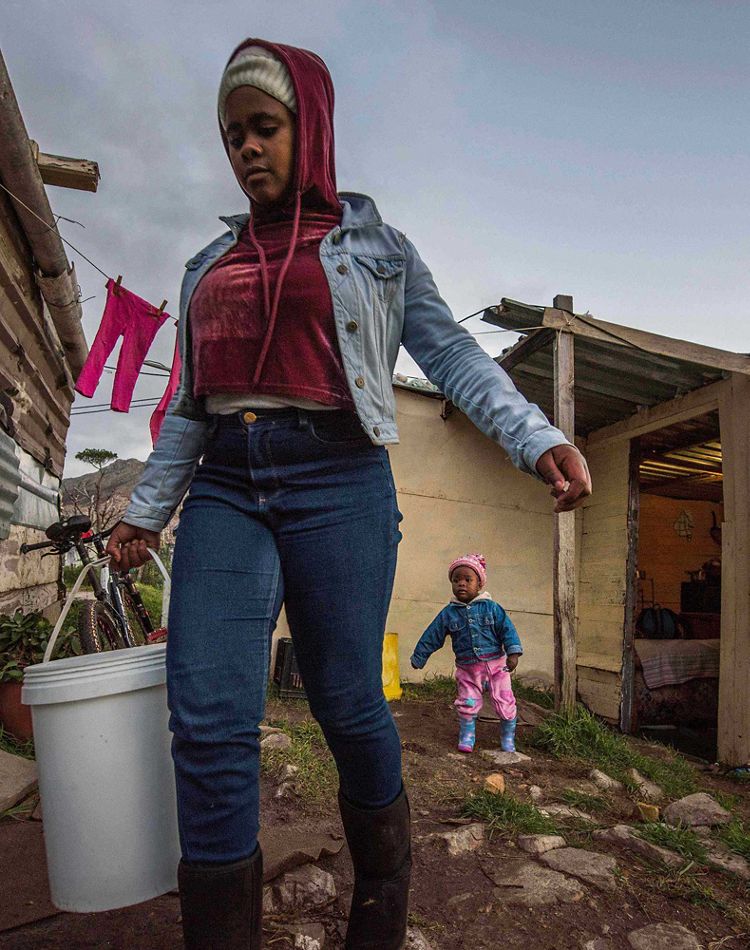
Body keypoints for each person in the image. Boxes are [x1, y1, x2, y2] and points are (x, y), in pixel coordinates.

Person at [105, 38, 592, 950]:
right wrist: (144, 509)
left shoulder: (377, 248)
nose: (246, 149)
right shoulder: (207, 265)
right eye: (231, 136)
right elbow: (186, 405)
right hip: (227, 485)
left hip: (339, 476)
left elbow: (450, 355)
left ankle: (382, 897)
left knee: (346, 702)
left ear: (311, 128)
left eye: (265, 128)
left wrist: (537, 436)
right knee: (207, 717)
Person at [410, 554, 522, 754]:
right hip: (468, 669)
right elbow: (432, 635)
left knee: (504, 701)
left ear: (479, 584)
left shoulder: (492, 608)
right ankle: (467, 735)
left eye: (467, 580)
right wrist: (420, 656)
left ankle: (507, 737)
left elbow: (508, 630)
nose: (461, 584)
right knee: (467, 702)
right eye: (456, 580)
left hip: (497, 666)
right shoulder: (448, 613)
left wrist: (513, 653)